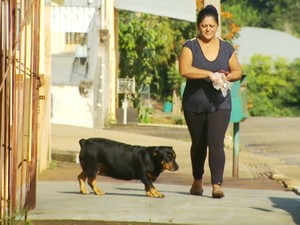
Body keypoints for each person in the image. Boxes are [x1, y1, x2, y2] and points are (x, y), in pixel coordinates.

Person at [179, 5, 242, 198]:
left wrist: (228, 76)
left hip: (220, 102)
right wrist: (208, 74)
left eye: (211, 26)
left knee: (216, 142)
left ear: (217, 26)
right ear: (198, 26)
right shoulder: (190, 46)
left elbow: (238, 70)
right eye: (204, 26)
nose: (208, 29)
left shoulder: (226, 47)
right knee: (198, 143)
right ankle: (197, 180)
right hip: (194, 103)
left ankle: (217, 184)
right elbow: (184, 70)